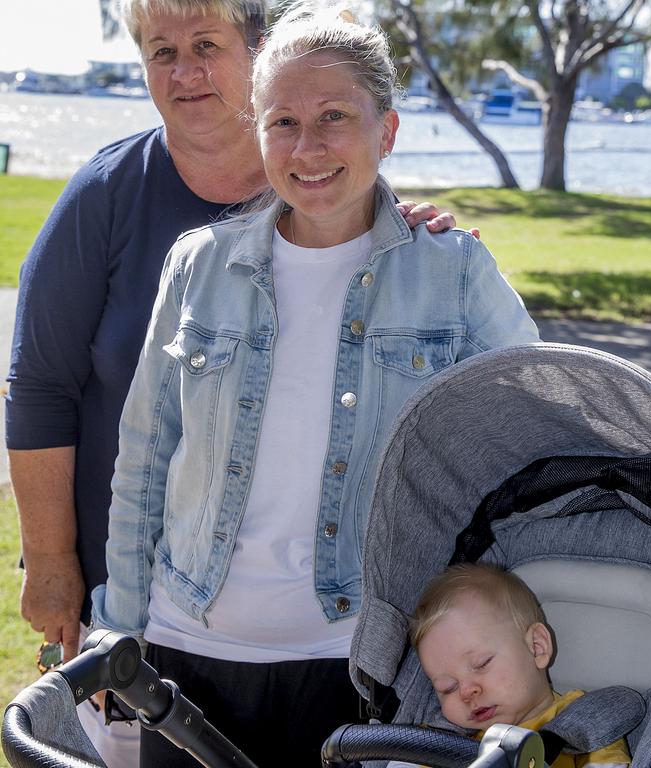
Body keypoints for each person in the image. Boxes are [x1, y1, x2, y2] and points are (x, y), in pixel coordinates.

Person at [89, 3, 542, 767]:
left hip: (357, 656)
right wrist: (120, 629)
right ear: (257, 131)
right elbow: (143, 461)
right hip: (185, 647)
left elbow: (550, 405)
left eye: (334, 116)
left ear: (386, 131)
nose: (308, 147)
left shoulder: (452, 269)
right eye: (282, 122)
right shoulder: (197, 264)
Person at [4, 1, 455, 766]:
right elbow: (42, 386)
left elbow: (510, 392)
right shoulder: (109, 198)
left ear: (258, 55)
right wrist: (55, 564)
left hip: (330, 625)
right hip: (142, 584)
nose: (183, 71)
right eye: (160, 50)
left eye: (206, 44)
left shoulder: (337, 189)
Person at [398, 563, 631, 768]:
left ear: (536, 647)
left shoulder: (584, 725)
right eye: (447, 687)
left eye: (482, 663)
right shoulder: (440, 742)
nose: (467, 692)